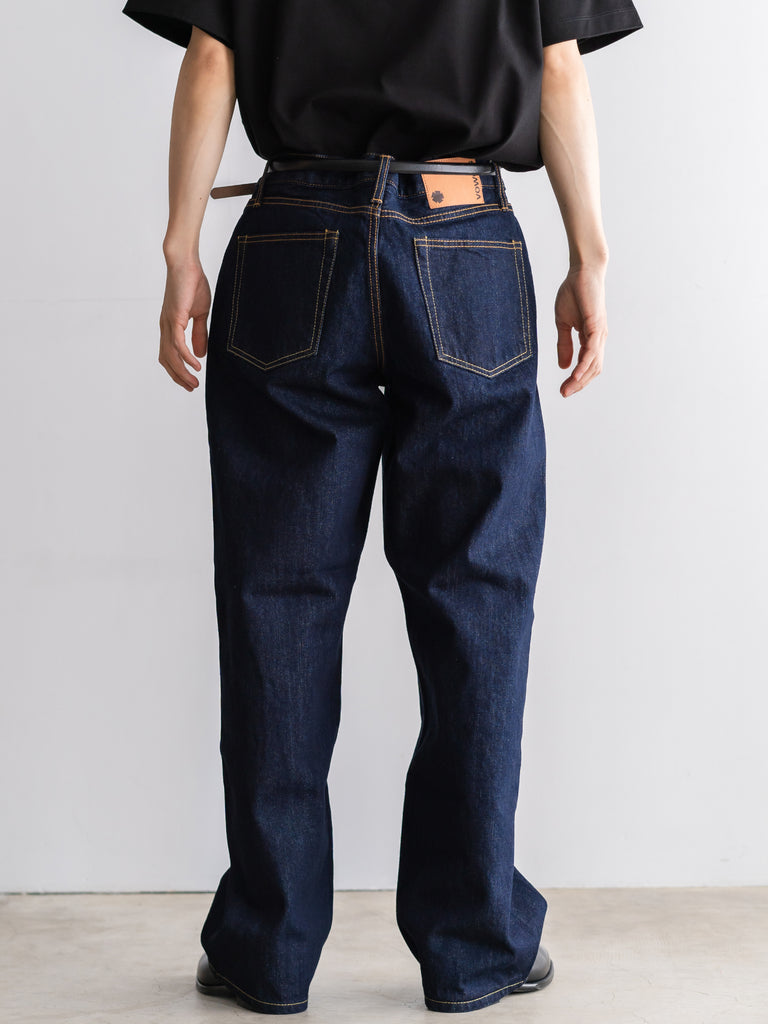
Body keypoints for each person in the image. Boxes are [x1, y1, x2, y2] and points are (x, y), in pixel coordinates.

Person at [121, 0, 643, 1015]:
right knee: (476, 602)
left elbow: (213, 57)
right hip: (464, 239)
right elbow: (558, 69)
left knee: (277, 599)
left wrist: (182, 246)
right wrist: (590, 255)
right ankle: (476, 943)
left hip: (294, 233)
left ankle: (267, 949)